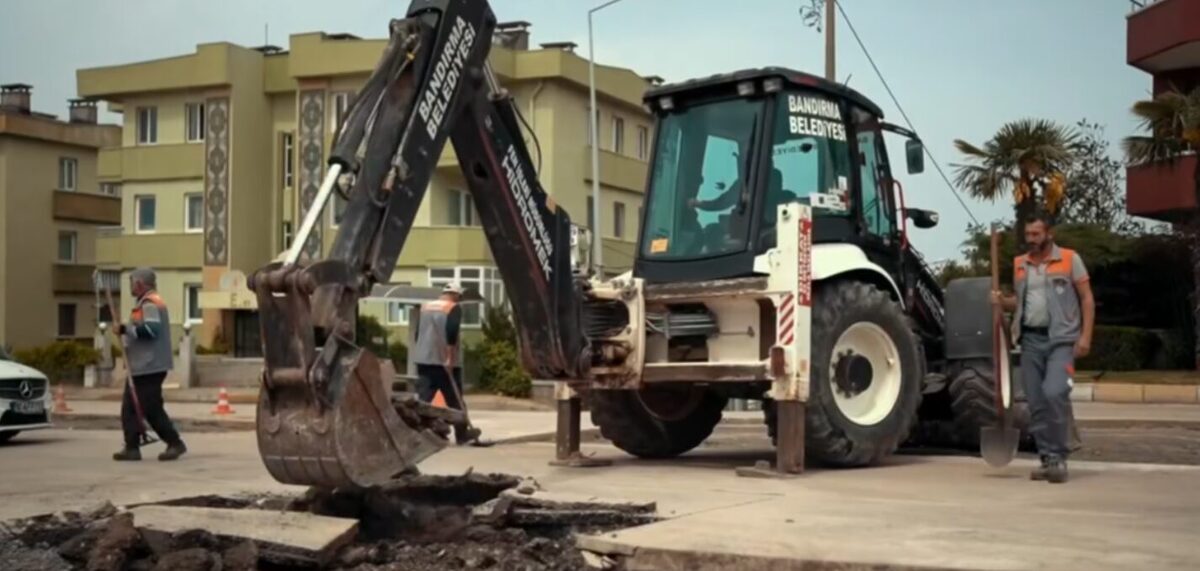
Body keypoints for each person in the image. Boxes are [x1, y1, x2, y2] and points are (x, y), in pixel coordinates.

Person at [992, 214, 1094, 483]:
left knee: (1054, 392)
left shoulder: (1070, 260)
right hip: (1030, 342)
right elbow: (1022, 304)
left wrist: (1085, 337)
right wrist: (1002, 301)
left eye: (1036, 234)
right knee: (1035, 403)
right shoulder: (1020, 264)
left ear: (1049, 234)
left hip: (1062, 340)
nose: (1031, 240)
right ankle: (1047, 458)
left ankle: (1059, 456)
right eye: (1028, 235)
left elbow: (1087, 299)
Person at [113, 267, 187, 461]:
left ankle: (174, 442)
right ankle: (132, 446)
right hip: (143, 366)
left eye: (132, 282)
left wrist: (124, 329)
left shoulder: (150, 303)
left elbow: (150, 330)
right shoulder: (145, 303)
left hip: (149, 366)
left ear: (139, 284)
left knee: (150, 407)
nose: (130, 286)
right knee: (131, 407)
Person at [413, 282, 481, 444]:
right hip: (445, 363)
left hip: (424, 360)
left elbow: (417, 333)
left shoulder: (425, 307)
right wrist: (450, 357)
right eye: (459, 297)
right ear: (455, 295)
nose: (459, 300)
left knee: (423, 399)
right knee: (455, 400)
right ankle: (462, 434)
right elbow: (451, 331)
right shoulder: (453, 307)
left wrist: (422, 350)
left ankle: (417, 433)